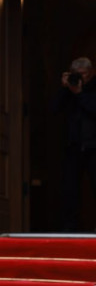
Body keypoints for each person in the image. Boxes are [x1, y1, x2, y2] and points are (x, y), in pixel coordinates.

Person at [55, 57, 96, 231]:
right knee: (70, 188)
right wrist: (65, 89)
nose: (80, 78)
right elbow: (54, 108)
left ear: (91, 73)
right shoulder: (69, 90)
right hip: (73, 146)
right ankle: (69, 228)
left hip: (94, 146)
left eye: (83, 75)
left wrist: (80, 94)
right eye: (76, 74)